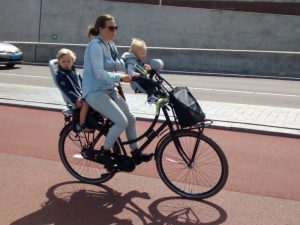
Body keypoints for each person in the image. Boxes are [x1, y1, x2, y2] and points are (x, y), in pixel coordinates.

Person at [82, 14, 153, 171]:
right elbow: (99, 73)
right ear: (100, 29)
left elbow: (119, 64)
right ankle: (104, 152)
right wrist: (121, 77)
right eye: (111, 28)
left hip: (109, 89)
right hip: (95, 91)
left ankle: (135, 152)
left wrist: (139, 69)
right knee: (121, 121)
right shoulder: (95, 46)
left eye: (116, 28)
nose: (114, 30)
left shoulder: (110, 45)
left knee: (131, 119)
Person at [55, 48, 89, 131]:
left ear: (72, 61)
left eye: (68, 61)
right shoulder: (61, 75)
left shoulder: (74, 72)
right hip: (74, 99)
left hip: (81, 95)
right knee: (86, 104)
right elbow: (66, 90)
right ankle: (81, 124)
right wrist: (75, 99)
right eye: (63, 61)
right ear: (59, 62)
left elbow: (83, 83)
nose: (66, 64)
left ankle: (90, 122)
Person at [121, 38, 158, 103]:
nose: (145, 55)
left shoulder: (138, 61)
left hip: (142, 79)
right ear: (134, 53)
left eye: (145, 53)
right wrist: (133, 73)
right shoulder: (131, 61)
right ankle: (150, 97)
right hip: (138, 82)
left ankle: (153, 95)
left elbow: (141, 69)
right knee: (151, 84)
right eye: (143, 53)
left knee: (153, 83)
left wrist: (147, 68)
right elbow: (130, 69)